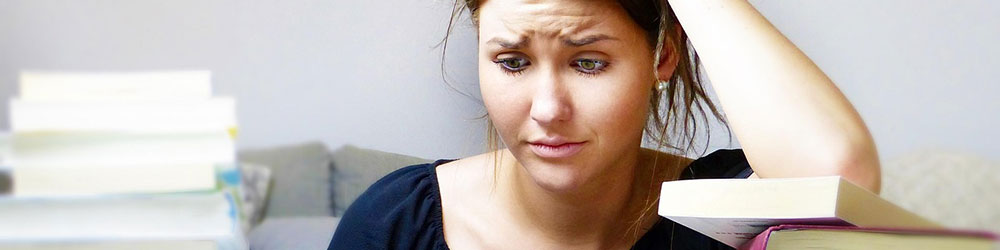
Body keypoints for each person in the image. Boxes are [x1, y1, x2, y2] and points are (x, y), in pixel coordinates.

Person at [329, 0, 881, 249]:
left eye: (588, 62)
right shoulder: (395, 224)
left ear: (662, 57)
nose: (547, 109)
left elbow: (837, 179)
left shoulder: (722, 214)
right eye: (512, 62)